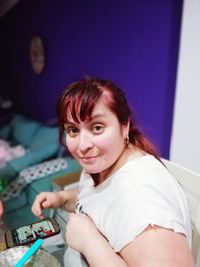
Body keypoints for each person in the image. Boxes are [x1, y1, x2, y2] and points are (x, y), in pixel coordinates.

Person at [32, 78, 194, 267]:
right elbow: (101, 201)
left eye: (97, 127)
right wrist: (63, 198)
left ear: (124, 125)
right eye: (73, 130)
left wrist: (90, 243)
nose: (83, 146)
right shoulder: (104, 163)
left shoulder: (143, 201)